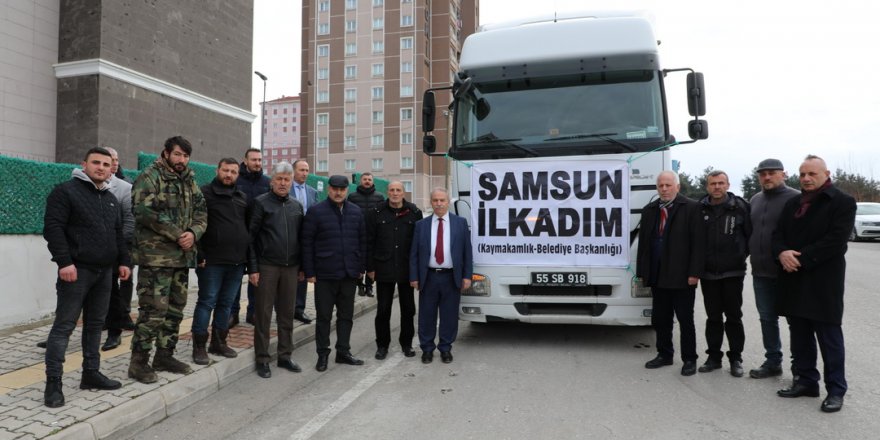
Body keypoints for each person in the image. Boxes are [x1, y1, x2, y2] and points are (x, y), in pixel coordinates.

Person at [42, 147, 131, 408]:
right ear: (84, 165)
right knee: (64, 327)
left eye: (106, 164)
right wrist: (65, 262)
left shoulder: (111, 198)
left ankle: (90, 374)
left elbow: (118, 234)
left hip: (105, 274)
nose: (102, 167)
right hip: (76, 272)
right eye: (96, 163)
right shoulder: (65, 192)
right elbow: (53, 229)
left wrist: (124, 261)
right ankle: (53, 383)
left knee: (94, 326)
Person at [774, 155, 855, 413]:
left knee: (829, 338)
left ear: (826, 174)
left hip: (823, 281)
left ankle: (836, 390)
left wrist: (801, 259)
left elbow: (836, 240)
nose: (806, 179)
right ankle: (807, 381)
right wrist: (782, 253)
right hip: (793, 279)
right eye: (802, 174)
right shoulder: (793, 203)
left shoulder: (842, 202)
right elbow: (778, 235)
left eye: (812, 174)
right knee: (800, 336)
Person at [127, 136, 207, 384]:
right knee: (153, 312)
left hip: (182, 259)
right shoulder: (150, 176)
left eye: (185, 156)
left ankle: (164, 356)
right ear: (165, 153)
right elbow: (144, 211)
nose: (181, 160)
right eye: (177, 155)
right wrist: (177, 234)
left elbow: (202, 211)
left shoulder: (190, 180)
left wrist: (193, 233)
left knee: (175, 311)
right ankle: (138, 364)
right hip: (156, 260)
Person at [636, 171, 705, 376]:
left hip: (682, 276)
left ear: (677, 186)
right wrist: (643, 272)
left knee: (685, 319)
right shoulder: (650, 210)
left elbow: (699, 244)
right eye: (660, 186)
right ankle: (664, 354)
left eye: (668, 185)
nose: (664, 189)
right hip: (658, 275)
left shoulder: (692, 208)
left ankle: (689, 359)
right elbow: (644, 245)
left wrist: (694, 272)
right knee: (661, 319)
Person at [302, 175, 367, 371]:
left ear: (347, 190)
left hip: (349, 274)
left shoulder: (356, 212)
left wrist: (360, 268)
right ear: (328, 189)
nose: (338, 193)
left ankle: (343, 352)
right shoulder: (315, 212)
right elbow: (307, 244)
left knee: (346, 316)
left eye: (342, 189)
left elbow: (362, 242)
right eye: (334, 189)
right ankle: (322, 355)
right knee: (323, 317)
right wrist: (309, 272)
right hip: (325, 274)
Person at [247, 162, 305, 378]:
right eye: (279, 179)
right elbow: (250, 238)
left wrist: (303, 267)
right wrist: (253, 268)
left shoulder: (297, 206)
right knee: (263, 314)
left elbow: (301, 239)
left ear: (291, 182)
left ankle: (285, 355)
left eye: (286, 179)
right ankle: (262, 358)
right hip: (267, 267)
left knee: (287, 314)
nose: (282, 183)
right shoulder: (261, 204)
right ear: (272, 181)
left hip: (291, 268)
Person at [191, 158, 249, 365]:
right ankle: (199, 346)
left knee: (226, 304)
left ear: (238, 175)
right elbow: (194, 224)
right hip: (211, 262)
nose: (229, 175)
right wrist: (199, 254)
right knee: (206, 302)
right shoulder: (204, 194)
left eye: (233, 172)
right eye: (225, 170)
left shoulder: (242, 197)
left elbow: (247, 229)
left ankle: (219, 342)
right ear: (218, 170)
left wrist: (247, 260)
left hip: (236, 263)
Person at [747, 158, 800, 379]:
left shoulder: (796, 198)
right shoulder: (755, 199)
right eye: (763, 174)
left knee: (796, 321)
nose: (767, 177)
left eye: (772, 173)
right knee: (767, 319)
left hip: (788, 273)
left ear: (783, 174)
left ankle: (800, 367)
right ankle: (773, 361)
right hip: (760, 272)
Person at [697, 170, 751, 377]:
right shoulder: (699, 208)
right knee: (713, 317)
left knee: (734, 317)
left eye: (721, 183)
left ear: (728, 185)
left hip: (733, 273)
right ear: (707, 186)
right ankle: (713, 357)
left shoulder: (740, 207)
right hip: (708, 274)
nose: (717, 187)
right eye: (713, 183)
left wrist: (738, 256)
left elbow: (749, 237)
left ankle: (736, 358)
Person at [409, 188, 473, 364]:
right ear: (431, 202)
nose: (438, 203)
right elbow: (414, 253)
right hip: (428, 277)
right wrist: (414, 276)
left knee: (449, 315)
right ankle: (427, 349)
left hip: (451, 277)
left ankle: (445, 348)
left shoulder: (460, 223)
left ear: (448, 202)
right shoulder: (421, 225)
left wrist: (467, 276)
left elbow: (467, 252)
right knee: (426, 315)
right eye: (435, 200)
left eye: (442, 200)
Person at [365, 181, 422, 360]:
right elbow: (369, 242)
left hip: (406, 268)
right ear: (387, 192)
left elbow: (420, 244)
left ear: (403, 192)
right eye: (392, 190)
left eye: (398, 190)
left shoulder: (414, 212)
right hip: (384, 267)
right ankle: (382, 345)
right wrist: (370, 268)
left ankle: (406, 343)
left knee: (408, 309)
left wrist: (418, 270)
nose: (395, 193)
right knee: (383, 310)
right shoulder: (376, 213)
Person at [101, 147, 136, 351]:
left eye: (114, 160)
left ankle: (120, 320)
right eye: (108, 160)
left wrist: (118, 245)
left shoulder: (125, 185)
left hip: (120, 247)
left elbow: (129, 220)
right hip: (92, 252)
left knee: (120, 284)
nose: (112, 163)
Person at [232, 148, 271, 327]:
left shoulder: (267, 182)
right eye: (254, 160)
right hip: (238, 234)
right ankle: (232, 314)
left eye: (260, 160)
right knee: (235, 276)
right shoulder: (236, 180)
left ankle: (253, 312)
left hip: (259, 236)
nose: (257, 163)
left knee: (257, 276)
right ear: (245, 161)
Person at [347, 172, 385, 297]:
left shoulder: (379, 197)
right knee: (358, 258)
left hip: (374, 233)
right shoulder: (352, 197)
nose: (367, 181)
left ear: (373, 182)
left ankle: (369, 286)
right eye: (365, 179)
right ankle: (360, 285)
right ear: (360, 181)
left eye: (369, 179)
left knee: (372, 260)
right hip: (357, 233)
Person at [291, 159, 319, 324]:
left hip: (306, 239)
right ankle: (285, 308)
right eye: (301, 170)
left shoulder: (312, 192)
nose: (304, 173)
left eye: (307, 170)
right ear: (294, 171)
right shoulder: (286, 189)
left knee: (302, 273)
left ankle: (299, 309)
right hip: (289, 236)